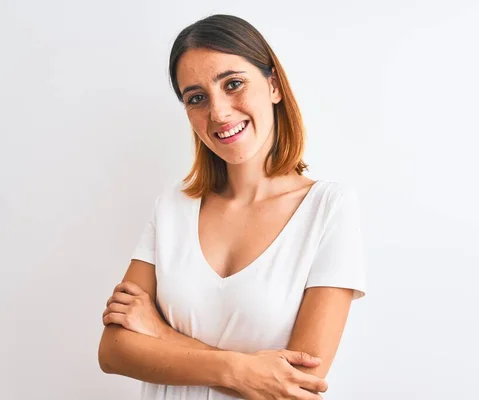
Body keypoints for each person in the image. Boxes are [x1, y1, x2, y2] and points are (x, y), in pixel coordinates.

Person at [98, 14, 367, 400]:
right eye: (197, 98)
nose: (219, 112)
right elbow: (113, 351)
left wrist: (159, 334)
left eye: (233, 84)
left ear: (273, 85)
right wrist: (242, 370)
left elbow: (299, 386)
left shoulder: (329, 208)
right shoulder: (173, 207)